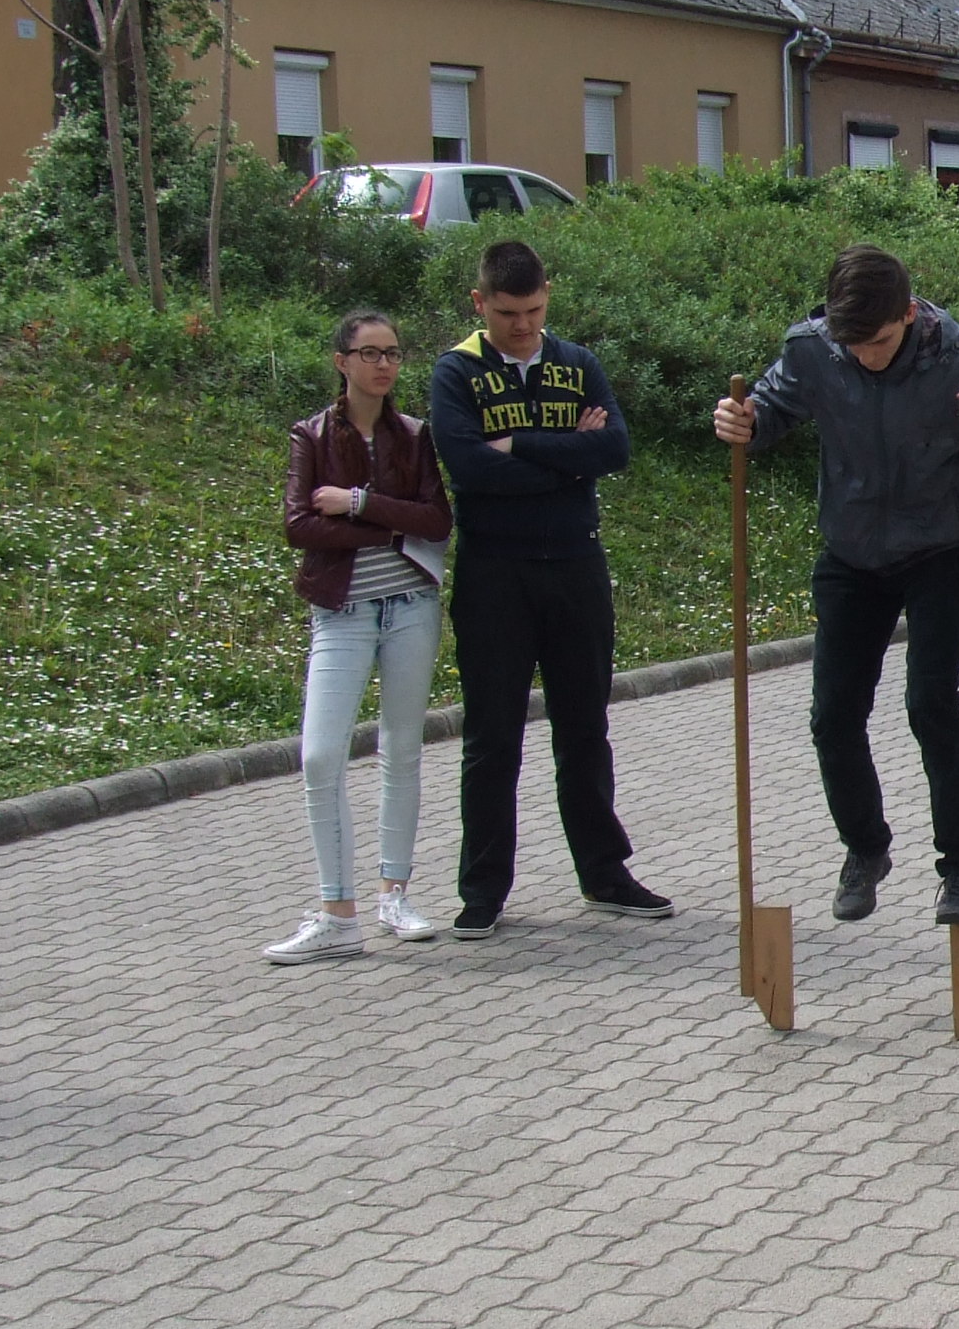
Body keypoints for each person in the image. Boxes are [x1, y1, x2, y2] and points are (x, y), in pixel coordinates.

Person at [713, 245, 959, 926]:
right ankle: (865, 848)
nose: (865, 356)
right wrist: (743, 424)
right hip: (851, 552)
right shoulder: (813, 349)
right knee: (833, 714)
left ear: (907, 313)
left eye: (877, 342)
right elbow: (770, 412)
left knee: (931, 703)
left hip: (940, 550)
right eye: (852, 345)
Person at [427, 238, 667, 936]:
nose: (523, 325)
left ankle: (605, 874)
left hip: (575, 565)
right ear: (480, 303)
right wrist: (569, 460)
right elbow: (468, 467)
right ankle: (482, 890)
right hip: (494, 573)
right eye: (508, 313)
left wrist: (520, 443)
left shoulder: (578, 364)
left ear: (547, 297)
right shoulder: (456, 372)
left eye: (533, 311)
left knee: (585, 728)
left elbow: (614, 448)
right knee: (492, 736)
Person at [265, 309, 454, 962]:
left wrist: (358, 503)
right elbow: (298, 525)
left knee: (401, 748)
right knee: (321, 756)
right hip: (342, 611)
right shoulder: (311, 434)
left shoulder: (414, 435)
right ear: (341, 361)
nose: (384, 365)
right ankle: (336, 913)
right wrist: (392, 526)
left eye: (393, 353)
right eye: (370, 353)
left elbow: (436, 520)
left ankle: (393, 895)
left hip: (410, 607)